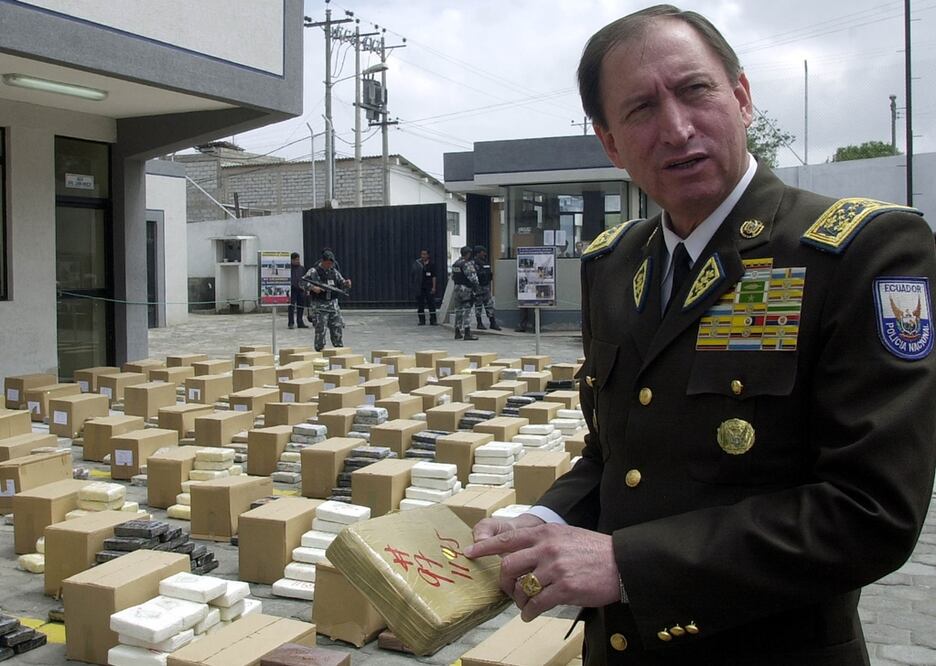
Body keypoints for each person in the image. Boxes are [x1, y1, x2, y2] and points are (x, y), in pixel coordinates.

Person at [466, 6, 936, 665]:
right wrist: (540, 525)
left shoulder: (857, 253)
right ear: (610, 143)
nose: (677, 128)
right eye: (641, 109)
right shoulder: (614, 264)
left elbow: (870, 511)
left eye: (695, 90)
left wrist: (627, 564)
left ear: (741, 98)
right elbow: (616, 458)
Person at [303, 249, 351, 352]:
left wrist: (346, 283)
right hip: (320, 306)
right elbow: (302, 282)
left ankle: (339, 350)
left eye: (331, 263)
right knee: (321, 329)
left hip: (333, 305)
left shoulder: (334, 272)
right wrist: (312, 287)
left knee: (337, 327)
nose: (330, 265)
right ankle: (319, 350)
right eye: (328, 263)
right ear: (323, 261)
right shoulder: (313, 271)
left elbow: (341, 282)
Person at [451, 245, 480, 340]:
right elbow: (473, 278)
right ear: (468, 254)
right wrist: (477, 288)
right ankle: (467, 333)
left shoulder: (455, 263)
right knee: (467, 310)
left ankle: (457, 332)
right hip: (466, 289)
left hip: (457, 288)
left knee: (458, 311)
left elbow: (453, 277)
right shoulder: (466, 264)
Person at [472, 246, 501, 330]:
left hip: (486, 287)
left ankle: (493, 323)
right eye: (482, 252)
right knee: (478, 306)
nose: (484, 254)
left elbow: (489, 274)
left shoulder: (485, 262)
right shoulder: (473, 263)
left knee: (489, 305)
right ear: (478, 253)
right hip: (478, 287)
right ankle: (479, 323)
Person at [412, 249, 438, 326]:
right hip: (420, 287)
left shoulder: (431, 264)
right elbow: (413, 275)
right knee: (420, 304)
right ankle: (422, 320)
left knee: (431, 304)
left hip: (429, 287)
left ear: (428, 255)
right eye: (422, 254)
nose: (423, 256)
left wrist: (434, 287)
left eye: (425, 254)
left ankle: (433, 320)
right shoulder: (418, 264)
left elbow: (434, 276)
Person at [287, 252, 307, 329]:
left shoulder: (302, 268)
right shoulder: (288, 268)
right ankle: (291, 323)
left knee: (301, 306)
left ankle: (300, 322)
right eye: (295, 260)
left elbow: (305, 279)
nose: (297, 261)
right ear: (291, 260)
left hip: (301, 289)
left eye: (298, 259)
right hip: (292, 289)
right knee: (291, 307)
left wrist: (305, 288)